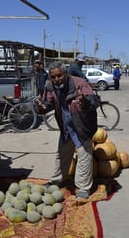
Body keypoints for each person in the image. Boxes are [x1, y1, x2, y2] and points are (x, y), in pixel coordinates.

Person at [34, 61, 100, 200]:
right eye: (53, 77)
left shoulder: (79, 83)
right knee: (62, 154)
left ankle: (83, 188)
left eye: (59, 75)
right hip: (66, 126)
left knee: (84, 155)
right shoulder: (51, 86)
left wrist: (85, 102)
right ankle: (57, 180)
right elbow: (48, 104)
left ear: (65, 73)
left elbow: (95, 102)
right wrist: (41, 107)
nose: (57, 79)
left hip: (82, 126)